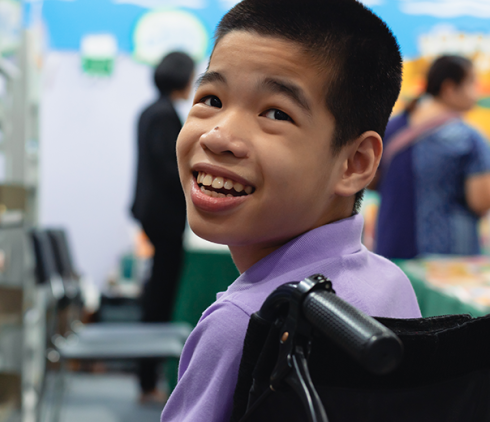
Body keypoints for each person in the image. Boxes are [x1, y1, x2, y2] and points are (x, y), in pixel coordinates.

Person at [160, 1, 422, 421]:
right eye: (210, 98)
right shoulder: (390, 283)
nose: (219, 135)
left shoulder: (244, 324)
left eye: (276, 113)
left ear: (354, 163)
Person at [374, 55, 490, 259]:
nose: (477, 92)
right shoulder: (467, 138)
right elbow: (480, 201)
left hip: (392, 247)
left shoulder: (391, 127)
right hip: (449, 259)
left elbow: (371, 180)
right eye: (472, 82)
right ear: (449, 88)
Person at [130, 51, 194, 403]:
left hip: (157, 216)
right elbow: (170, 169)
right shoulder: (163, 116)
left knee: (157, 296)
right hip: (164, 218)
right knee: (159, 300)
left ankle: (148, 379)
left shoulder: (150, 112)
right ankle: (146, 381)